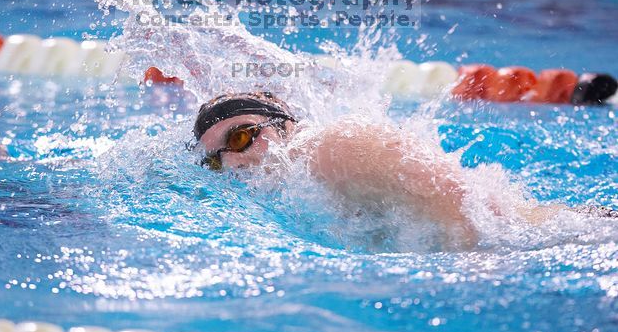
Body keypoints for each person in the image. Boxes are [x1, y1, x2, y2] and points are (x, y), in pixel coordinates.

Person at [192, 91, 616, 249]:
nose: (234, 163)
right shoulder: (298, 191)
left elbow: (459, 204)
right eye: (216, 160)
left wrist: (476, 271)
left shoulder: (335, 147)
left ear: (283, 127)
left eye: (241, 137)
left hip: (564, 237)